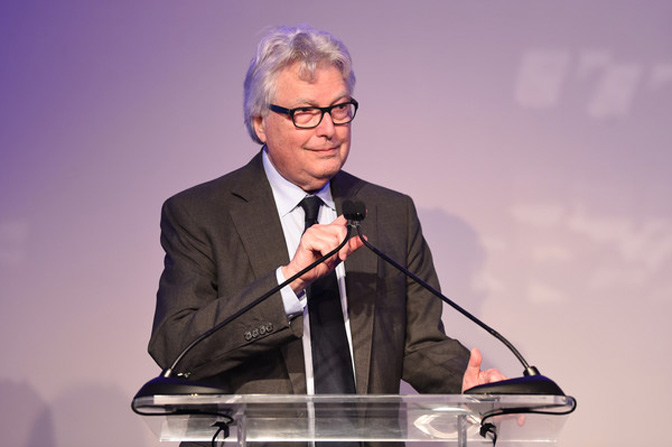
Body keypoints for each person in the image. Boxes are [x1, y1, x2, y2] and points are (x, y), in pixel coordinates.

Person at [148, 24, 505, 399]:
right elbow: (176, 347)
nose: (329, 129)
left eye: (339, 108)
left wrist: (465, 380)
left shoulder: (390, 213)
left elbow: (418, 345)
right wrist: (289, 282)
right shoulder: (201, 215)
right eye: (305, 112)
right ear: (260, 123)